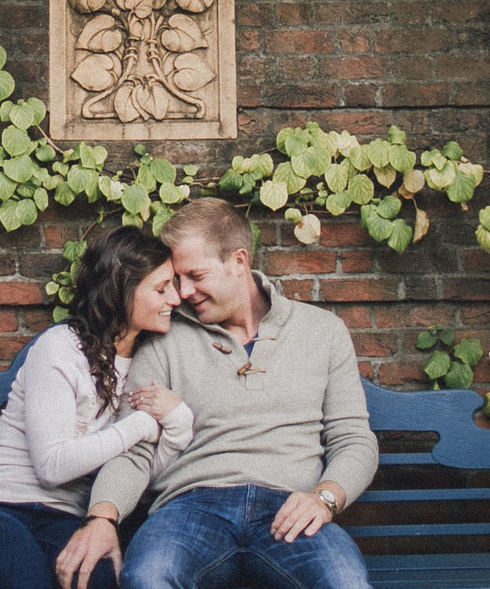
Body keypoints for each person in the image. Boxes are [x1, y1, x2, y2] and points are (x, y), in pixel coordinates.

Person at [57, 198, 379, 589]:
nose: (183, 292)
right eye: (177, 279)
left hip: (291, 506)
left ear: (238, 262)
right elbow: (136, 449)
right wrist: (102, 519)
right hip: (191, 508)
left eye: (196, 275)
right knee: (148, 577)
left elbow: (354, 440)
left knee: (345, 583)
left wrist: (325, 499)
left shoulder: (322, 331)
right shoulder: (163, 339)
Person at [0, 226, 192, 589]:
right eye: (160, 288)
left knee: (101, 581)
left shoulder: (148, 364)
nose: (175, 298)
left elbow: (144, 468)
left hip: (67, 518)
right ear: (121, 291)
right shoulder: (61, 348)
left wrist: (178, 420)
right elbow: (52, 466)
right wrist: (140, 425)